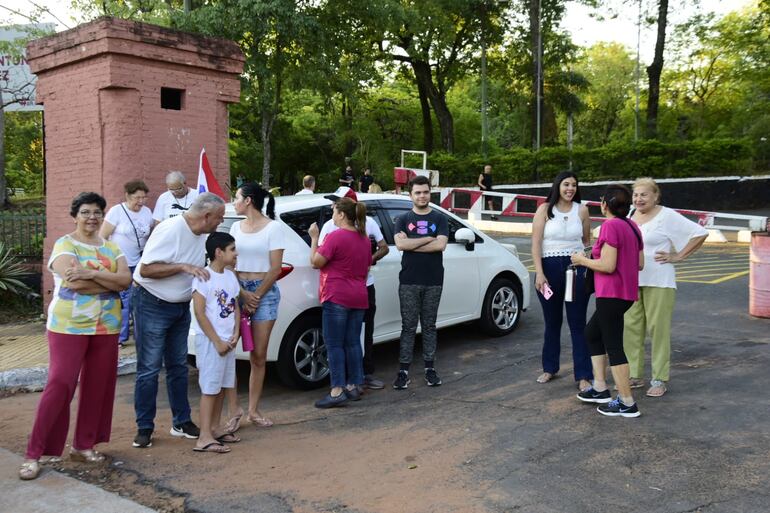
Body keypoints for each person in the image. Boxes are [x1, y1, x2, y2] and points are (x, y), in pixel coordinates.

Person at [19, 192, 132, 480]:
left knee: (98, 386)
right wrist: (108, 282)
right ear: (75, 216)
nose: (91, 217)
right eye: (85, 212)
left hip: (106, 325)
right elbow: (76, 285)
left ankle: (83, 446)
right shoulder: (64, 244)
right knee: (60, 384)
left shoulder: (112, 247)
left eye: (97, 212)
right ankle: (35, 453)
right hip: (68, 325)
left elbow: (126, 281)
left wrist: (89, 274)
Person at [132, 192, 226, 448]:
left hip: (180, 307)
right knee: (150, 368)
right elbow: (145, 269)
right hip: (152, 303)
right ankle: (145, 427)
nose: (220, 223)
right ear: (206, 216)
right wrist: (182, 267)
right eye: (219, 218)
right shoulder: (170, 230)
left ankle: (181, 422)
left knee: (178, 367)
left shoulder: (204, 235)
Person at [624, 178, 708, 397]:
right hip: (632, 280)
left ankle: (659, 379)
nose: (638, 199)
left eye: (643, 195)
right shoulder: (630, 216)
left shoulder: (666, 215)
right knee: (631, 329)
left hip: (659, 281)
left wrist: (678, 255)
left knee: (657, 330)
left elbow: (699, 233)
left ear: (655, 196)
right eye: (635, 195)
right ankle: (634, 375)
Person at [571, 184, 644, 418]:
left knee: (614, 347)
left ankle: (626, 402)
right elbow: (639, 263)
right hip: (624, 293)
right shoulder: (632, 226)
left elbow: (608, 266)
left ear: (605, 204)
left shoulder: (610, 226)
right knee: (592, 333)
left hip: (611, 294)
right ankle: (601, 388)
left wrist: (582, 260)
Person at [319, 187, 390, 389]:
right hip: (343, 289)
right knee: (343, 339)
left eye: (336, 202)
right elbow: (322, 257)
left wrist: (370, 261)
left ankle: (358, 378)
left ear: (347, 206)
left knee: (362, 333)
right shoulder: (329, 227)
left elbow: (384, 247)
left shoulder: (369, 223)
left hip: (364, 286)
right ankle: (350, 381)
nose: (332, 206)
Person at [229, 182, 285, 427]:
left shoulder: (274, 228)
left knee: (258, 355)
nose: (234, 201)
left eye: (236, 197)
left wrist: (256, 296)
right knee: (228, 351)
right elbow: (229, 264)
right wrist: (242, 293)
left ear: (248, 200)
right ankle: (234, 411)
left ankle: (253, 410)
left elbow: (275, 269)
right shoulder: (234, 226)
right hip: (237, 290)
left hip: (265, 293)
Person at [531, 171, 593, 391]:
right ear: (558, 185)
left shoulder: (582, 210)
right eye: (566, 184)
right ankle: (550, 368)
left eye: (574, 185)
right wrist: (539, 273)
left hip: (576, 270)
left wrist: (588, 259)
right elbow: (536, 244)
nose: (570, 189)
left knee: (577, 323)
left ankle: (584, 375)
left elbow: (587, 241)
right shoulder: (544, 210)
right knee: (552, 322)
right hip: (548, 269)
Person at [308, 197, 372, 407]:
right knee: (353, 342)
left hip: (336, 294)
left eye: (334, 212)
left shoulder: (336, 236)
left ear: (342, 214)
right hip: (358, 295)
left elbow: (316, 262)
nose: (332, 216)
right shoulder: (363, 238)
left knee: (334, 344)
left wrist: (314, 239)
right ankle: (355, 385)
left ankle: (337, 390)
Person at [392, 175, 448, 390]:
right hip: (408, 281)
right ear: (411, 195)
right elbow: (400, 246)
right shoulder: (402, 218)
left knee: (429, 326)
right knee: (408, 327)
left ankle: (429, 369)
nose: (422, 196)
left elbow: (440, 247)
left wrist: (410, 243)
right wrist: (427, 239)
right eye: (418, 192)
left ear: (429, 193)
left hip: (434, 280)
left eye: (425, 192)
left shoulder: (440, 218)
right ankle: (403, 371)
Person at [191, 232, 241, 453]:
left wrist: (236, 332)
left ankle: (215, 427)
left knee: (222, 386)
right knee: (210, 388)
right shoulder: (203, 278)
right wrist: (217, 341)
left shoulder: (230, 276)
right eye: (232, 249)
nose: (235, 253)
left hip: (228, 340)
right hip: (212, 342)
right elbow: (200, 313)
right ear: (218, 252)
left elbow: (235, 306)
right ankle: (204, 437)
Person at [100, 180, 154, 347]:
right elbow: (103, 237)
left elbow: (150, 234)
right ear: (127, 196)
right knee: (125, 300)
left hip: (141, 262)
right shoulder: (117, 212)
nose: (141, 201)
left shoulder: (147, 212)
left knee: (140, 301)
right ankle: (120, 337)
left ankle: (140, 336)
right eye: (137, 197)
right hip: (121, 263)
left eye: (144, 197)